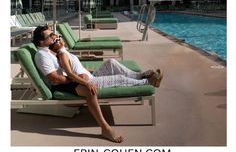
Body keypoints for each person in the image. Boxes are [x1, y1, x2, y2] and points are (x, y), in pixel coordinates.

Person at [33, 25, 163, 143]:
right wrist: (78, 79)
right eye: (50, 36)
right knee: (115, 79)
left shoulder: (52, 50)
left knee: (111, 63)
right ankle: (148, 82)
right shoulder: (42, 55)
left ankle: (140, 76)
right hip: (69, 83)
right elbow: (55, 78)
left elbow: (72, 66)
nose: (53, 36)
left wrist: (87, 71)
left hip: (83, 76)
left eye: (53, 34)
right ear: (41, 41)